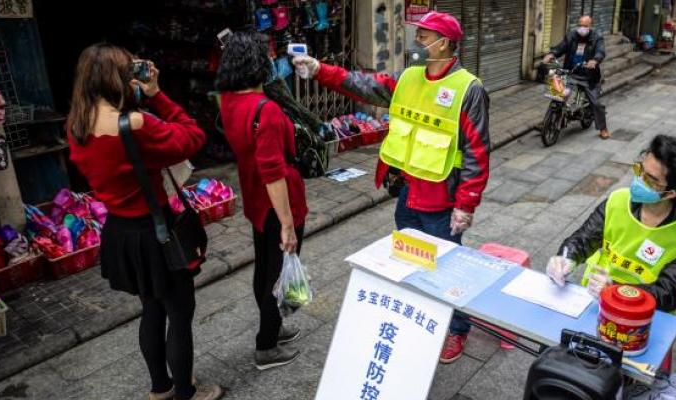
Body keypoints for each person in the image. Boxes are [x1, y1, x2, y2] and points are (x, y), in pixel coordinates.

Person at [292, 11, 490, 364]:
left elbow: (476, 150)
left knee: (447, 270)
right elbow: (363, 84)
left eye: (424, 37)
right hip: (407, 195)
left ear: (444, 43)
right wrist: (320, 70)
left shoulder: (468, 89)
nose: (418, 43)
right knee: (412, 265)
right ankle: (422, 319)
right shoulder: (409, 78)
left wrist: (466, 205)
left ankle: (457, 329)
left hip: (443, 202)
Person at [67, 44, 221, 400]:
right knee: (179, 315)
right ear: (118, 79)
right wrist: (156, 95)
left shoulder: (76, 124)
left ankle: (160, 388)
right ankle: (186, 392)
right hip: (157, 233)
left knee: (151, 307)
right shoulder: (133, 124)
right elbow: (193, 137)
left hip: (120, 231)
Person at [216, 28, 308, 370]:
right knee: (276, 274)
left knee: (265, 268)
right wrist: (288, 224)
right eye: (267, 55)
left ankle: (276, 328)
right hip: (277, 201)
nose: (272, 59)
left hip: (255, 197)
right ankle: (266, 346)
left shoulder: (228, 100)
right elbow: (273, 172)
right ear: (257, 63)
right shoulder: (264, 110)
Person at [546, 135, 676, 314]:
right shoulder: (618, 200)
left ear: (670, 194)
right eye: (639, 168)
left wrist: (616, 290)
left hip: (640, 322)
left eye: (650, 179)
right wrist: (566, 257)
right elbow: (584, 239)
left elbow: (668, 294)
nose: (639, 179)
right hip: (592, 303)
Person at [543, 15, 611, 140]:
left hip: (589, 76)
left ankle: (603, 128)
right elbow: (561, 47)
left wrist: (595, 60)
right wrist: (552, 54)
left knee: (596, 103)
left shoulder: (597, 38)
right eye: (580, 25)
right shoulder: (572, 36)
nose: (581, 28)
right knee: (559, 94)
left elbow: (600, 51)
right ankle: (551, 118)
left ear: (590, 27)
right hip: (571, 72)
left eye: (585, 26)